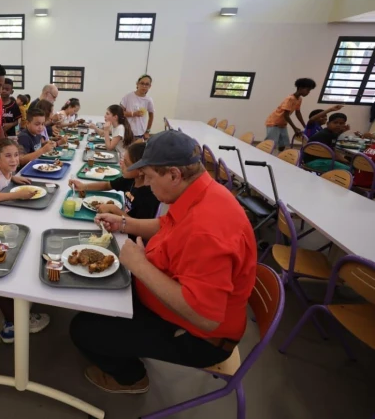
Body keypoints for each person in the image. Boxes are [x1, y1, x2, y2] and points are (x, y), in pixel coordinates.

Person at [70, 130, 257, 394]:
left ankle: (132, 378)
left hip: (199, 338)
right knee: (97, 297)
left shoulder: (209, 231)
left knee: (83, 329)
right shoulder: (202, 192)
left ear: (173, 175)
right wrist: (126, 223)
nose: (144, 183)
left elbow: (205, 318)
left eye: (148, 176)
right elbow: (167, 225)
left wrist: (140, 265)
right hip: (169, 301)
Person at [68, 142, 160, 242]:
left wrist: (115, 210)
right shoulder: (131, 179)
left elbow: (140, 227)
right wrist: (84, 186)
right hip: (120, 228)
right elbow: (107, 185)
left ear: (141, 170)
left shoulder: (149, 195)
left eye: (126, 163)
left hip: (132, 240)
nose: (121, 164)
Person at [265, 78, 316, 152]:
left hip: (282, 124)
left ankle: (279, 158)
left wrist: (305, 126)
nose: (308, 92)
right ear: (301, 88)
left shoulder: (299, 99)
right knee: (270, 144)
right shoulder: (290, 99)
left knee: (283, 144)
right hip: (274, 123)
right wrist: (294, 128)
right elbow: (286, 115)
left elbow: (298, 113)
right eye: (308, 90)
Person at [121, 75, 155, 139]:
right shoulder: (128, 96)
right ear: (137, 84)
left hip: (140, 133)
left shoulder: (149, 100)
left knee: (137, 148)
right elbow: (120, 113)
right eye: (142, 83)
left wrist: (147, 131)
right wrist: (133, 114)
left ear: (150, 86)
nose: (144, 86)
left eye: (147, 84)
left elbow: (151, 116)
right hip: (126, 131)